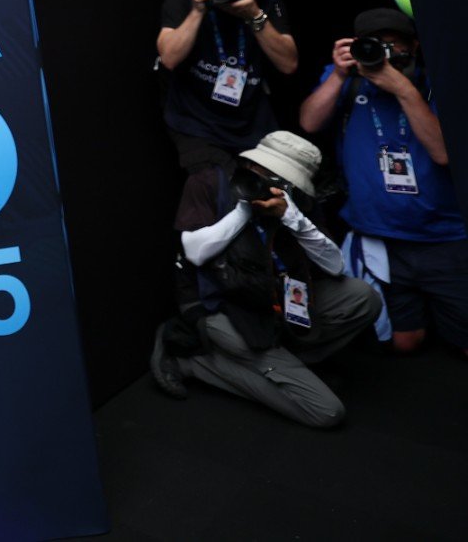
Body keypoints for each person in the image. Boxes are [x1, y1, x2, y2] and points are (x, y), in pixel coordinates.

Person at [153, 131, 377, 428]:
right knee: (326, 412)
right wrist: (244, 209)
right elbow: (195, 252)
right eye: (259, 171)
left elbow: (335, 266)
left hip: (277, 300)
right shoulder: (209, 182)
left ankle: (287, 363)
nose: (264, 181)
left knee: (364, 297)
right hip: (225, 307)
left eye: (278, 178)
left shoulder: (296, 202)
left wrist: (293, 217)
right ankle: (194, 362)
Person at [298, 8, 466, 356]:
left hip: (444, 238)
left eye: (394, 45)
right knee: (405, 342)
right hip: (382, 239)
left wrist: (404, 89)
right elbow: (310, 122)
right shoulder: (349, 79)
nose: (384, 54)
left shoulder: (434, 83)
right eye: (375, 45)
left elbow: (442, 153)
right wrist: (338, 76)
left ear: (415, 46)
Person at [155, 0, 297, 176]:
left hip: (251, 122)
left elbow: (288, 64)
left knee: (261, 191)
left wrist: (255, 15)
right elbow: (169, 57)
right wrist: (197, 11)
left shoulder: (265, 2)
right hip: (195, 120)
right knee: (215, 183)